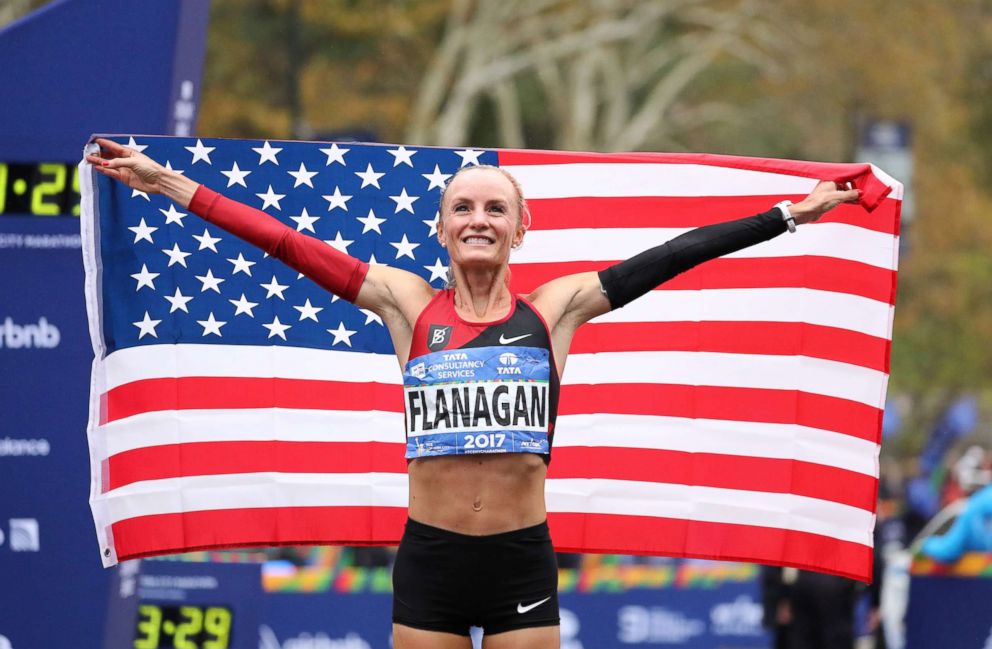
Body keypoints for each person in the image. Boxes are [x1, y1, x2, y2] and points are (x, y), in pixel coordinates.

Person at [87, 137, 861, 649]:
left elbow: (673, 256)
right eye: (464, 207)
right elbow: (286, 243)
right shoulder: (405, 304)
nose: (479, 218)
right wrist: (168, 183)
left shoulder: (555, 309)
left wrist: (790, 213)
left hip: (522, 560)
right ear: (441, 228)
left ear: (520, 228)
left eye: (495, 208)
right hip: (431, 560)